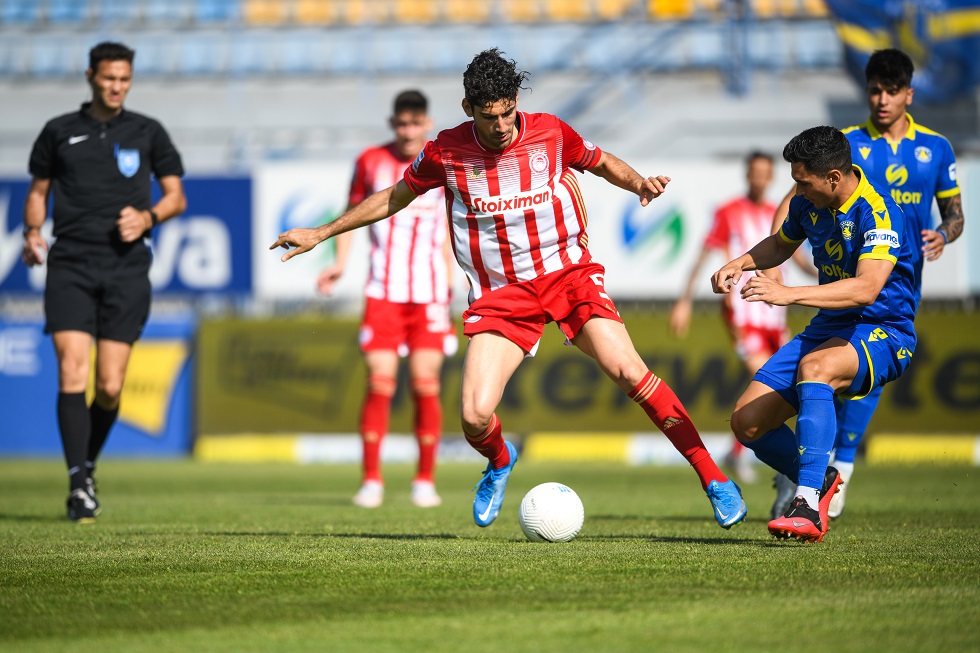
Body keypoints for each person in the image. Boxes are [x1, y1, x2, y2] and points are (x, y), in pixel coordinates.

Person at [272, 48, 747, 530]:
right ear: (467, 109)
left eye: (506, 113)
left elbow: (599, 161)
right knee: (475, 415)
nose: (500, 126)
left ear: (516, 101)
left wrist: (638, 183)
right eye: (487, 116)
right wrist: (321, 233)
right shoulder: (444, 151)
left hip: (567, 274)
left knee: (629, 371)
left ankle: (714, 480)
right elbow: (393, 198)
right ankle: (500, 460)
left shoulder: (551, 131)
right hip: (502, 294)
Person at [769, 48, 964, 520]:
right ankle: (820, 475)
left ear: (908, 94)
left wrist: (943, 234)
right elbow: (796, 197)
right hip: (845, 274)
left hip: (896, 279)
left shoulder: (936, 148)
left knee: (857, 375)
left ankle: (823, 474)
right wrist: (776, 256)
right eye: (874, 89)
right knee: (830, 369)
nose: (881, 99)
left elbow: (955, 215)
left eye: (891, 90)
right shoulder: (846, 143)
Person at [713, 125, 917, 543]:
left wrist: (787, 294)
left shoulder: (879, 212)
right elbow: (780, 244)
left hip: (884, 330)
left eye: (803, 183)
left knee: (815, 367)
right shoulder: (809, 206)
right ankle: (820, 479)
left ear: (834, 178)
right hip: (830, 325)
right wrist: (741, 262)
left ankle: (806, 505)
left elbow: (866, 288)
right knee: (747, 423)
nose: (797, 192)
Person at [21, 42, 186, 523]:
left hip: (126, 267)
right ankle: (78, 485)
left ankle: (87, 465)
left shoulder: (148, 131)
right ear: (91, 75)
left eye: (125, 79)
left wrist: (148, 215)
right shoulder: (58, 131)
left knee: (110, 385)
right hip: (70, 263)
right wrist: (33, 233)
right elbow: (37, 192)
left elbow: (177, 197)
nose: (117, 87)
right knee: (72, 369)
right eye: (109, 78)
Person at [316, 90, 453, 509]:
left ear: (427, 123)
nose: (408, 131)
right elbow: (354, 212)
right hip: (384, 291)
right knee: (380, 382)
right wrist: (339, 263)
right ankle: (372, 479)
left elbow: (453, 224)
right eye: (402, 124)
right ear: (392, 123)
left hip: (429, 291)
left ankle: (424, 480)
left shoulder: (442, 160)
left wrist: (454, 279)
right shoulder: (370, 162)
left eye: (415, 123)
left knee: (425, 384)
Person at [669, 151, 789, 484]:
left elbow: (797, 259)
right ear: (747, 174)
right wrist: (684, 300)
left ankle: (737, 451)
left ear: (771, 176)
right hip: (742, 315)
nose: (759, 178)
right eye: (754, 172)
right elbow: (703, 255)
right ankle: (778, 462)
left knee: (787, 384)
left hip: (775, 315)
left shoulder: (778, 214)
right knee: (769, 379)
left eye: (765, 173)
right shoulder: (729, 212)